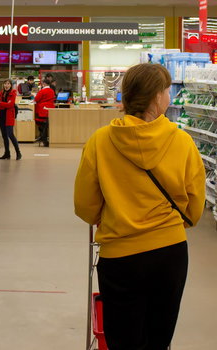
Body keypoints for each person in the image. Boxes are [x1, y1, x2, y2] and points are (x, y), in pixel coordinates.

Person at [73, 63, 205, 350]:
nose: (169, 96)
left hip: (119, 256)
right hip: (169, 253)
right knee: (159, 337)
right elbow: (195, 203)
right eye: (167, 90)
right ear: (156, 97)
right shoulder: (181, 141)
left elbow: (84, 205)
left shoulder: (100, 142)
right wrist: (172, 225)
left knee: (123, 338)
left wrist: (107, 217)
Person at [0, 79, 22, 160]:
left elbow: (10, 104)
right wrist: (2, 104)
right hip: (2, 117)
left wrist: (1, 103)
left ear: (10, 85)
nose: (6, 85)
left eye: (8, 84)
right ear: (3, 85)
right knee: (4, 136)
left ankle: (18, 152)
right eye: (5, 84)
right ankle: (7, 153)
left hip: (9, 117)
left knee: (10, 135)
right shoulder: (1, 93)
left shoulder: (13, 93)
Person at [34, 78, 56, 146]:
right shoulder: (52, 91)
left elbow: (36, 99)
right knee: (46, 124)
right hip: (50, 110)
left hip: (42, 110)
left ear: (44, 84)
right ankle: (44, 138)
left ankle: (43, 138)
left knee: (41, 124)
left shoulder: (42, 91)